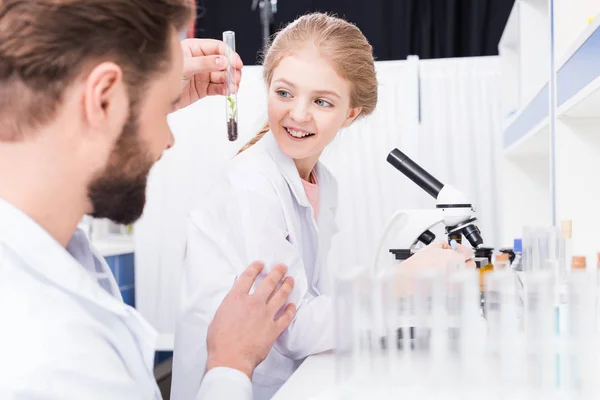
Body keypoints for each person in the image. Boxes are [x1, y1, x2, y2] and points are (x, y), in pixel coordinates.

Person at [0, 1, 296, 399]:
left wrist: (149, 90)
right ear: (102, 99)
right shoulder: (55, 363)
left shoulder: (41, 240)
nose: (166, 141)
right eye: (163, 112)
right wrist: (230, 365)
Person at [171, 12, 474, 400]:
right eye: (284, 93)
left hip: (286, 382)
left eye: (322, 101)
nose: (298, 114)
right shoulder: (253, 183)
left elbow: (311, 302)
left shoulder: (322, 183)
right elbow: (292, 327)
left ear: (351, 114)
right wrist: (402, 283)